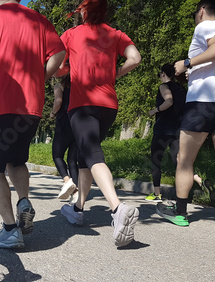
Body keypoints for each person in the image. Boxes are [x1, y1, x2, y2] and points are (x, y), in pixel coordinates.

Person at [0, 0, 66, 249]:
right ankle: (23, 201)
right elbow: (60, 53)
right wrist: (42, 76)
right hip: (30, 106)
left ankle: (10, 229)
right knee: (16, 161)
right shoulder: (38, 20)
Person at [55, 0, 142, 247]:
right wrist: (114, 73)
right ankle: (78, 208)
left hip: (82, 104)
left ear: (83, 11)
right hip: (108, 105)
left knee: (92, 154)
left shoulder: (71, 34)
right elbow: (134, 58)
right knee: (84, 158)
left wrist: (70, 68)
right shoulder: (115, 34)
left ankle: (117, 209)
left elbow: (58, 68)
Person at [157, 0, 215, 226]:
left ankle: (180, 213)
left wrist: (187, 63)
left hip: (203, 102)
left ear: (202, 10)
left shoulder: (205, 26)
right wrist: (199, 72)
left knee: (184, 159)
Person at [146, 63, 187, 202]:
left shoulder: (164, 86)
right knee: (180, 162)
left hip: (163, 130)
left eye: (160, 74)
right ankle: (199, 181)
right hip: (178, 130)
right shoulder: (182, 89)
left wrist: (155, 110)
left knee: (156, 161)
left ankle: (157, 194)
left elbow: (169, 101)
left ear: (163, 73)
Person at [50, 74, 79, 201]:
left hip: (64, 122)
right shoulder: (79, 86)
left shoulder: (59, 85)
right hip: (78, 123)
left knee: (57, 155)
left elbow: (58, 102)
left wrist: (52, 113)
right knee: (73, 160)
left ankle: (67, 181)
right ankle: (77, 193)